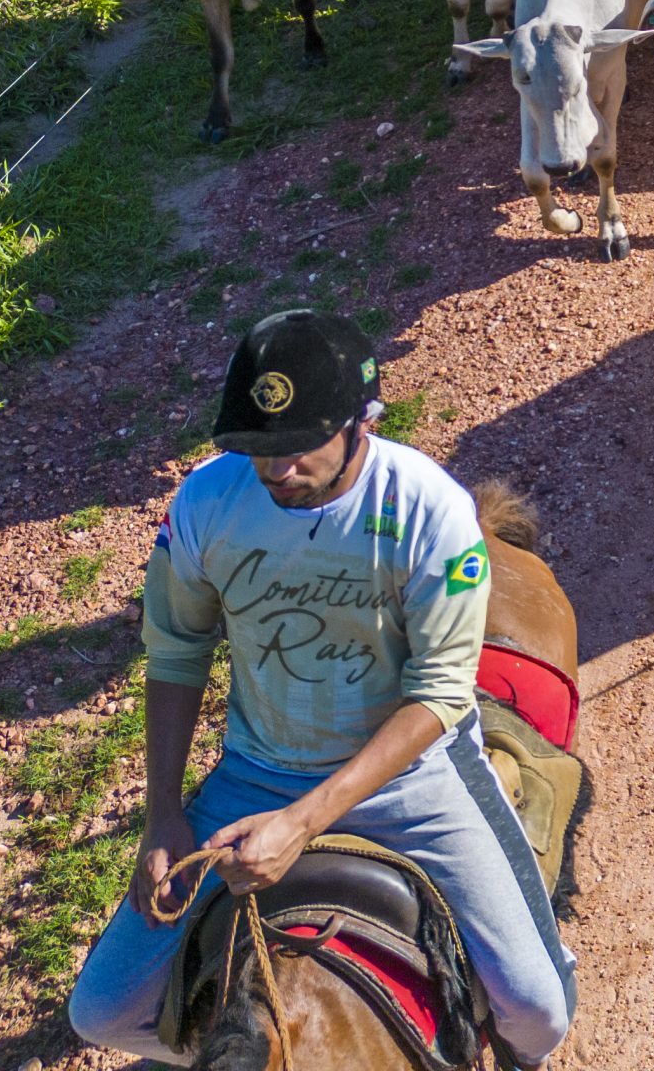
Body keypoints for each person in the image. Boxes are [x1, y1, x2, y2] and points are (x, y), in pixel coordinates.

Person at [69, 312, 576, 1066]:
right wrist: (163, 814)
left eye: (297, 448)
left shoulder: (430, 514)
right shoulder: (207, 504)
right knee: (101, 1012)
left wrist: (303, 823)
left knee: (539, 1013)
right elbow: (176, 653)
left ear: (361, 423)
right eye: (257, 450)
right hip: (256, 772)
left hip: (417, 783)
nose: (275, 471)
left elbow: (440, 694)